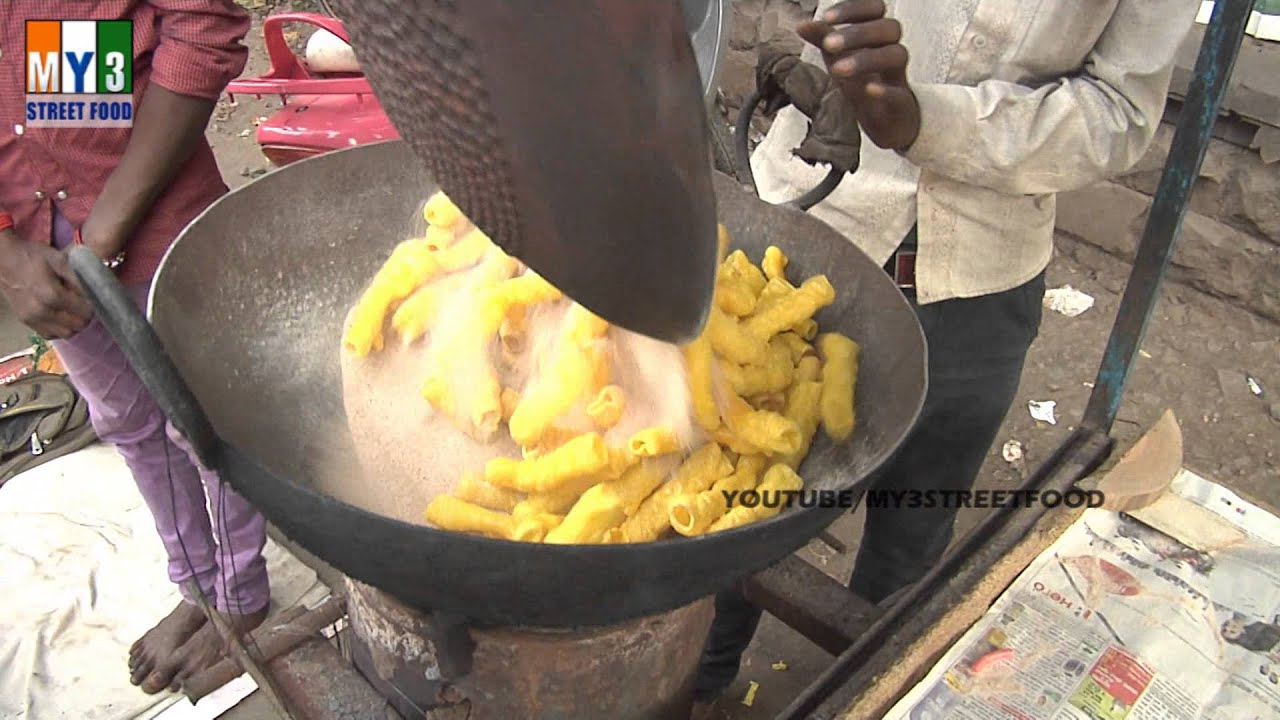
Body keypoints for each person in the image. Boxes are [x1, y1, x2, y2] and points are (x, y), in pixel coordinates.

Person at [693, 0, 1198, 713]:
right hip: (813, 220)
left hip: (979, 276)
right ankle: (700, 687)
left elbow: (1118, 112)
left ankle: (860, 696)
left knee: (911, 533)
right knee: (738, 507)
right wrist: (801, 38)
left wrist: (924, 120)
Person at [0, 1, 269, 695]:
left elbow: (200, 26)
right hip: (37, 245)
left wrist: (105, 230)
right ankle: (199, 589)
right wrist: (7, 253)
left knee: (209, 414)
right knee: (126, 421)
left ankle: (242, 596)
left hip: (150, 213)